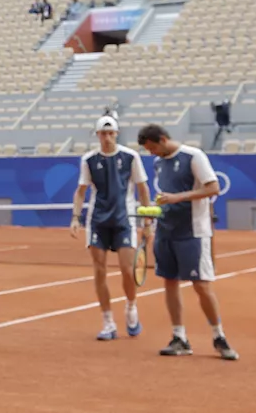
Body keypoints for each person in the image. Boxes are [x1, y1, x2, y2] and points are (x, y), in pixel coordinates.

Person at [136, 124, 239, 361]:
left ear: (162, 139)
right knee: (169, 282)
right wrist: (152, 214)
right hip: (166, 232)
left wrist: (177, 198)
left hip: (193, 231)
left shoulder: (194, 156)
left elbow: (213, 187)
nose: (151, 153)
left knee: (202, 286)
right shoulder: (158, 163)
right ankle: (179, 337)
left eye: (152, 148)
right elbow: (164, 197)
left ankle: (218, 336)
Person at [71, 115, 152, 341]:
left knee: (128, 270)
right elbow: (81, 192)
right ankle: (108, 322)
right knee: (100, 271)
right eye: (102, 133)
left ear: (116, 134)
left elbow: (143, 190)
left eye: (110, 133)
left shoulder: (130, 157)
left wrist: (147, 221)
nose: (107, 137)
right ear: (97, 135)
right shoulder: (88, 160)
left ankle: (131, 307)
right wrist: (75, 217)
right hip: (97, 221)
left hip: (124, 221)